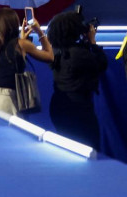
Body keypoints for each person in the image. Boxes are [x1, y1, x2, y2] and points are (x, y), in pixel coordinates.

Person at [46, 10, 107, 152]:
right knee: (90, 148)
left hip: (59, 106)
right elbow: (101, 63)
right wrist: (92, 42)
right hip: (78, 110)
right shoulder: (78, 54)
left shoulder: (56, 51)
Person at [0, 7, 54, 114]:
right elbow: (50, 56)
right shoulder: (21, 44)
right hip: (7, 103)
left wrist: (22, 39)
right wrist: (39, 31)